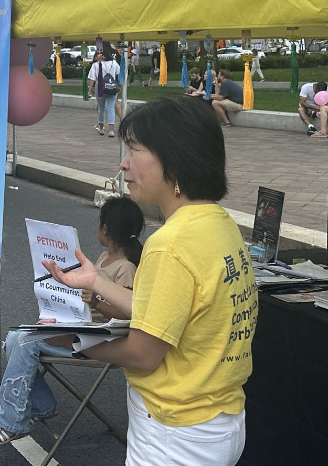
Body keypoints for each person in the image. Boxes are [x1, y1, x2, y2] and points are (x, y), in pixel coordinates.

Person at [46, 96, 257, 466]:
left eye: (133, 149)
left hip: (173, 431)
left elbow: (143, 353)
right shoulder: (220, 224)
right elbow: (165, 313)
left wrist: (74, 341)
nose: (123, 163)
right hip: (220, 421)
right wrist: (97, 281)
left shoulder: (169, 244)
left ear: (173, 159)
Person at [0, 197, 145, 446]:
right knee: (14, 339)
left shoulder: (126, 268)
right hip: (83, 328)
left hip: (99, 338)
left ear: (105, 229)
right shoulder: (103, 258)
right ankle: (41, 405)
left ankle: (12, 422)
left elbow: (128, 314)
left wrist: (97, 303)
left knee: (27, 343)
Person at [88, 49, 121, 137]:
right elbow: (118, 75)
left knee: (101, 108)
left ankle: (101, 129)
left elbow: (92, 79)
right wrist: (119, 85)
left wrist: (90, 90)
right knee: (111, 109)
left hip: (100, 88)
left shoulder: (95, 65)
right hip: (112, 88)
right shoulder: (114, 63)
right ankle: (111, 130)